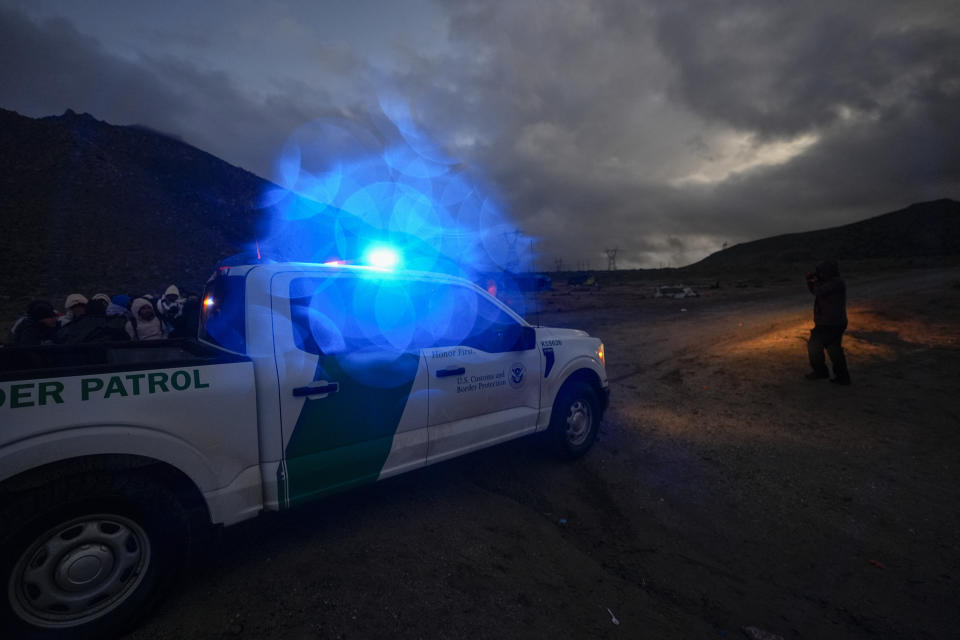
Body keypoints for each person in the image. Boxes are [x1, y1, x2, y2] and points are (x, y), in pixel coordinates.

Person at [805, 260, 851, 385]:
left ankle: (822, 372)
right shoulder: (835, 282)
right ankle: (842, 377)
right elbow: (816, 292)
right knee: (834, 349)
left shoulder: (835, 283)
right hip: (832, 322)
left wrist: (813, 281)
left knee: (814, 345)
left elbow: (818, 291)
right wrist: (812, 282)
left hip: (830, 323)